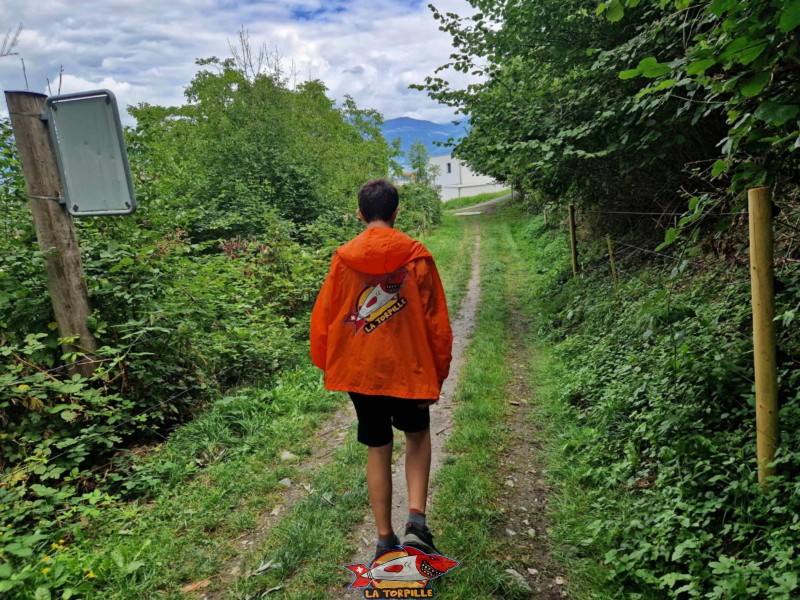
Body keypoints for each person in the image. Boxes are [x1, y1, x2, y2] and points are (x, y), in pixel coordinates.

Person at [310, 178, 453, 560]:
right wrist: (438, 372)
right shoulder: (417, 256)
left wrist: (328, 362)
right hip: (411, 369)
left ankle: (385, 538)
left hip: (362, 371)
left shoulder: (343, 258)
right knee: (417, 436)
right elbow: (437, 321)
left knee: (378, 447)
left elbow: (326, 314)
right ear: (396, 211)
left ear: (360, 214)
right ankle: (417, 525)